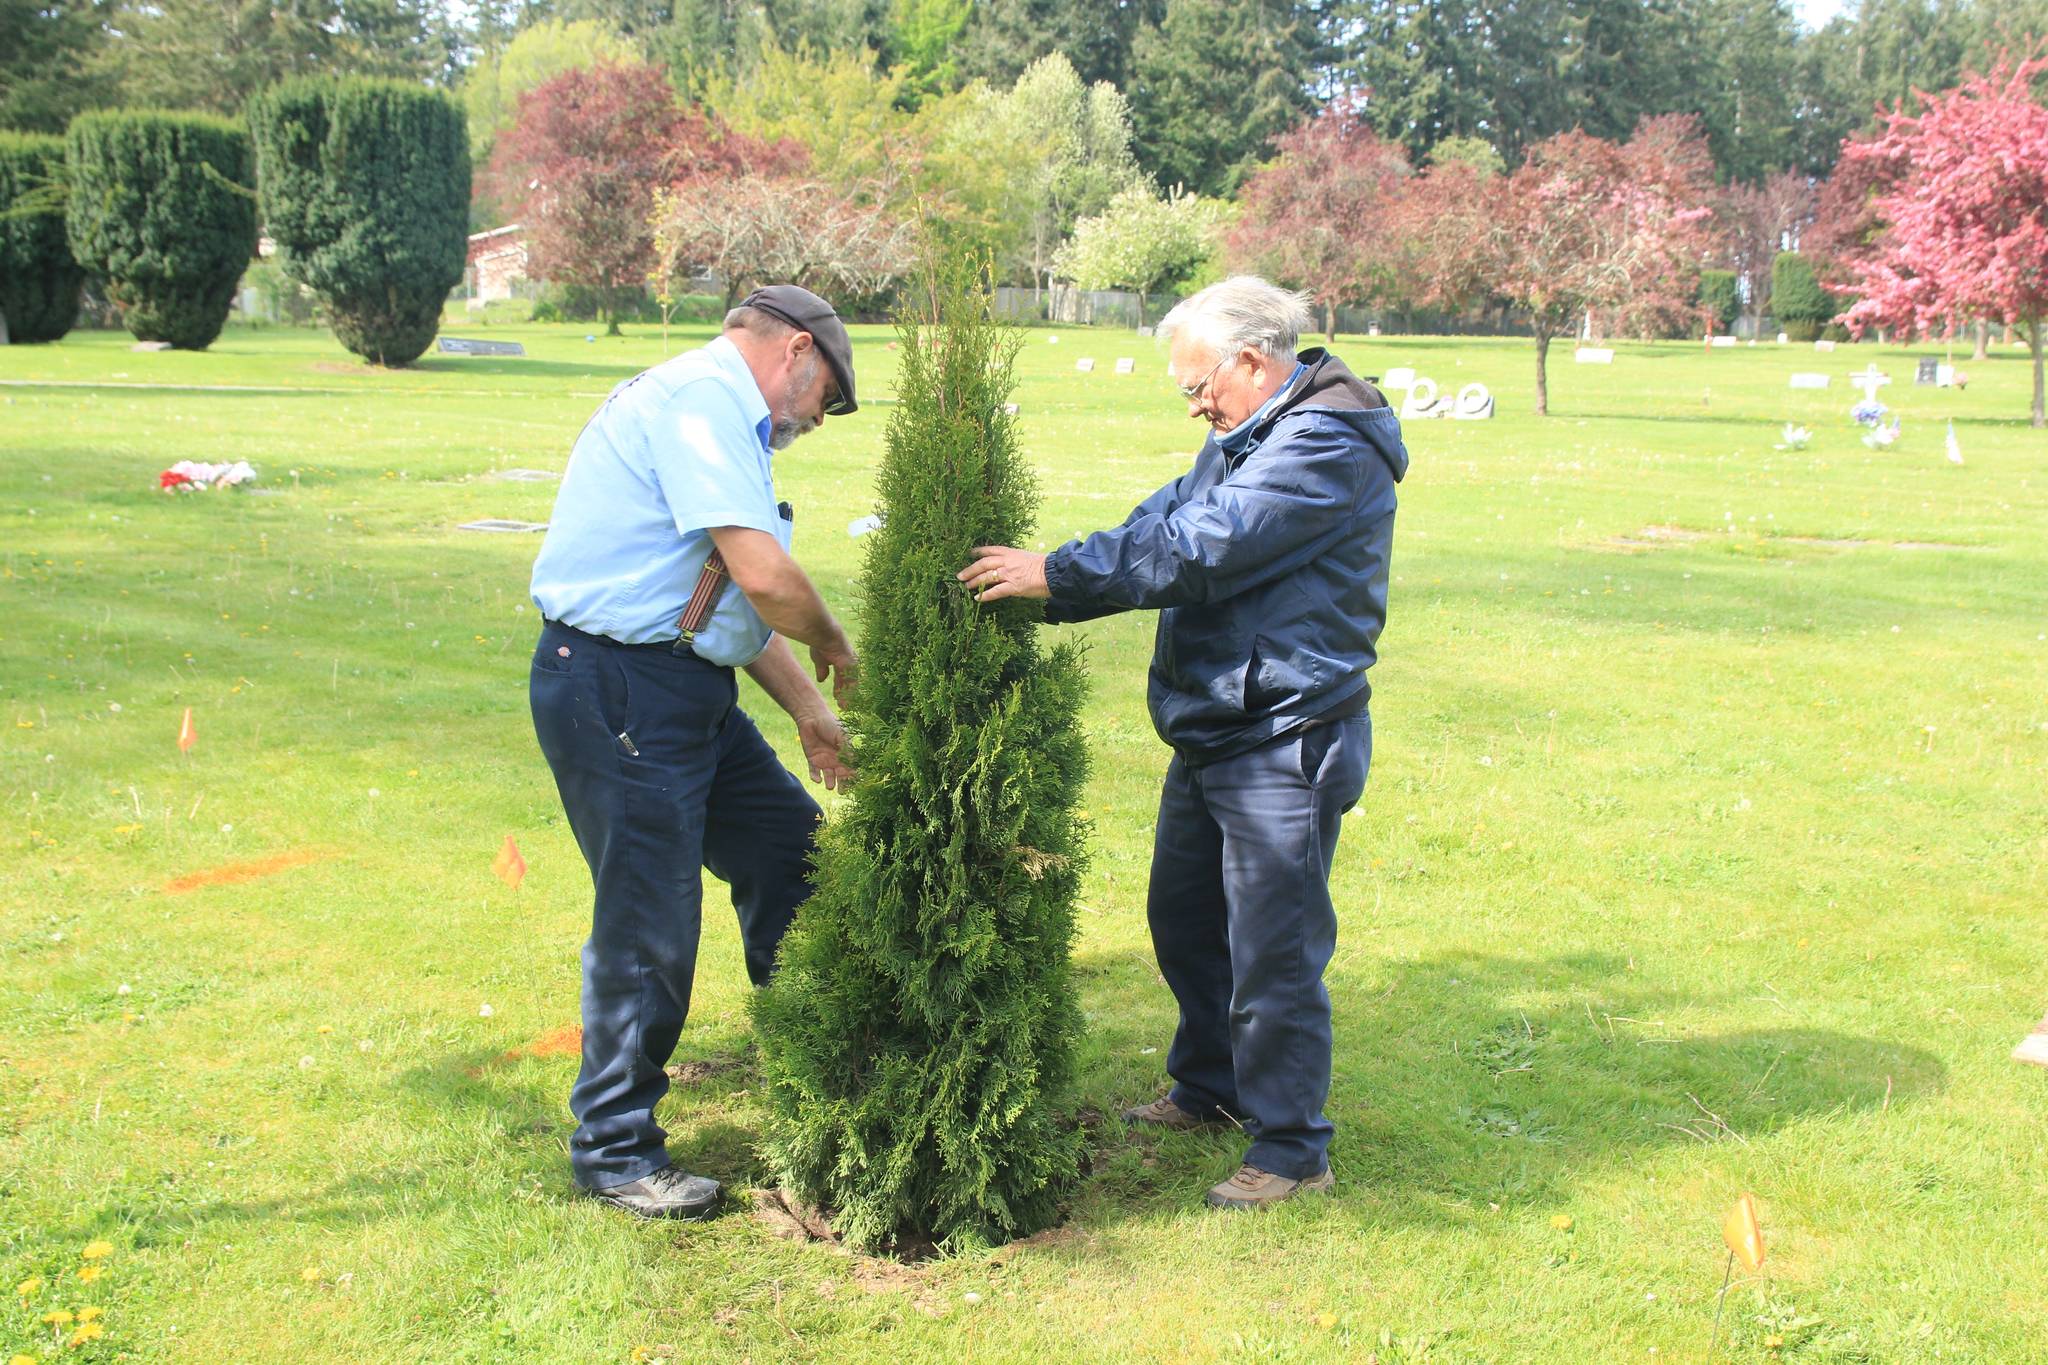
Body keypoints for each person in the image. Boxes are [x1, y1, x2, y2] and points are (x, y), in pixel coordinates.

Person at [959, 276, 1407, 1210]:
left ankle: (1290, 1148)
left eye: (1199, 382)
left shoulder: (1322, 446)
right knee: (1185, 919)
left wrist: (1059, 577)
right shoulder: (1243, 437)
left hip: (1285, 733)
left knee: (1271, 949)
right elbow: (1159, 520)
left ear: (1252, 360)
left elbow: (1204, 548)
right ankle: (1212, 1086)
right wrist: (1050, 579)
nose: (1195, 401)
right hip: (1217, 725)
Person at [528, 285, 861, 1220]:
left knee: (792, 854)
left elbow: (724, 602)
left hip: (684, 689)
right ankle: (615, 1149)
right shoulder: (702, 403)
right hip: (617, 685)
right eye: (824, 397)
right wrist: (840, 653)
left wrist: (807, 712)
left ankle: (810, 1063)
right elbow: (763, 576)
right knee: (650, 921)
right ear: (796, 350)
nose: (815, 420)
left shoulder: (724, 420)